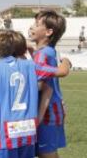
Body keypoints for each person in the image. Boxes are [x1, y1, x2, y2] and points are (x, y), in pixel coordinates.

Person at [0, 30, 71, 158]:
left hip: (4, 136)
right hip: (28, 133)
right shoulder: (31, 65)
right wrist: (66, 61)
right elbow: (62, 71)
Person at [29, 10, 68, 158]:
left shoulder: (44, 53)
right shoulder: (47, 51)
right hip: (51, 110)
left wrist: (37, 119)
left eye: (36, 24)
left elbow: (46, 88)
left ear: (48, 32)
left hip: (46, 112)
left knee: (46, 153)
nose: (31, 27)